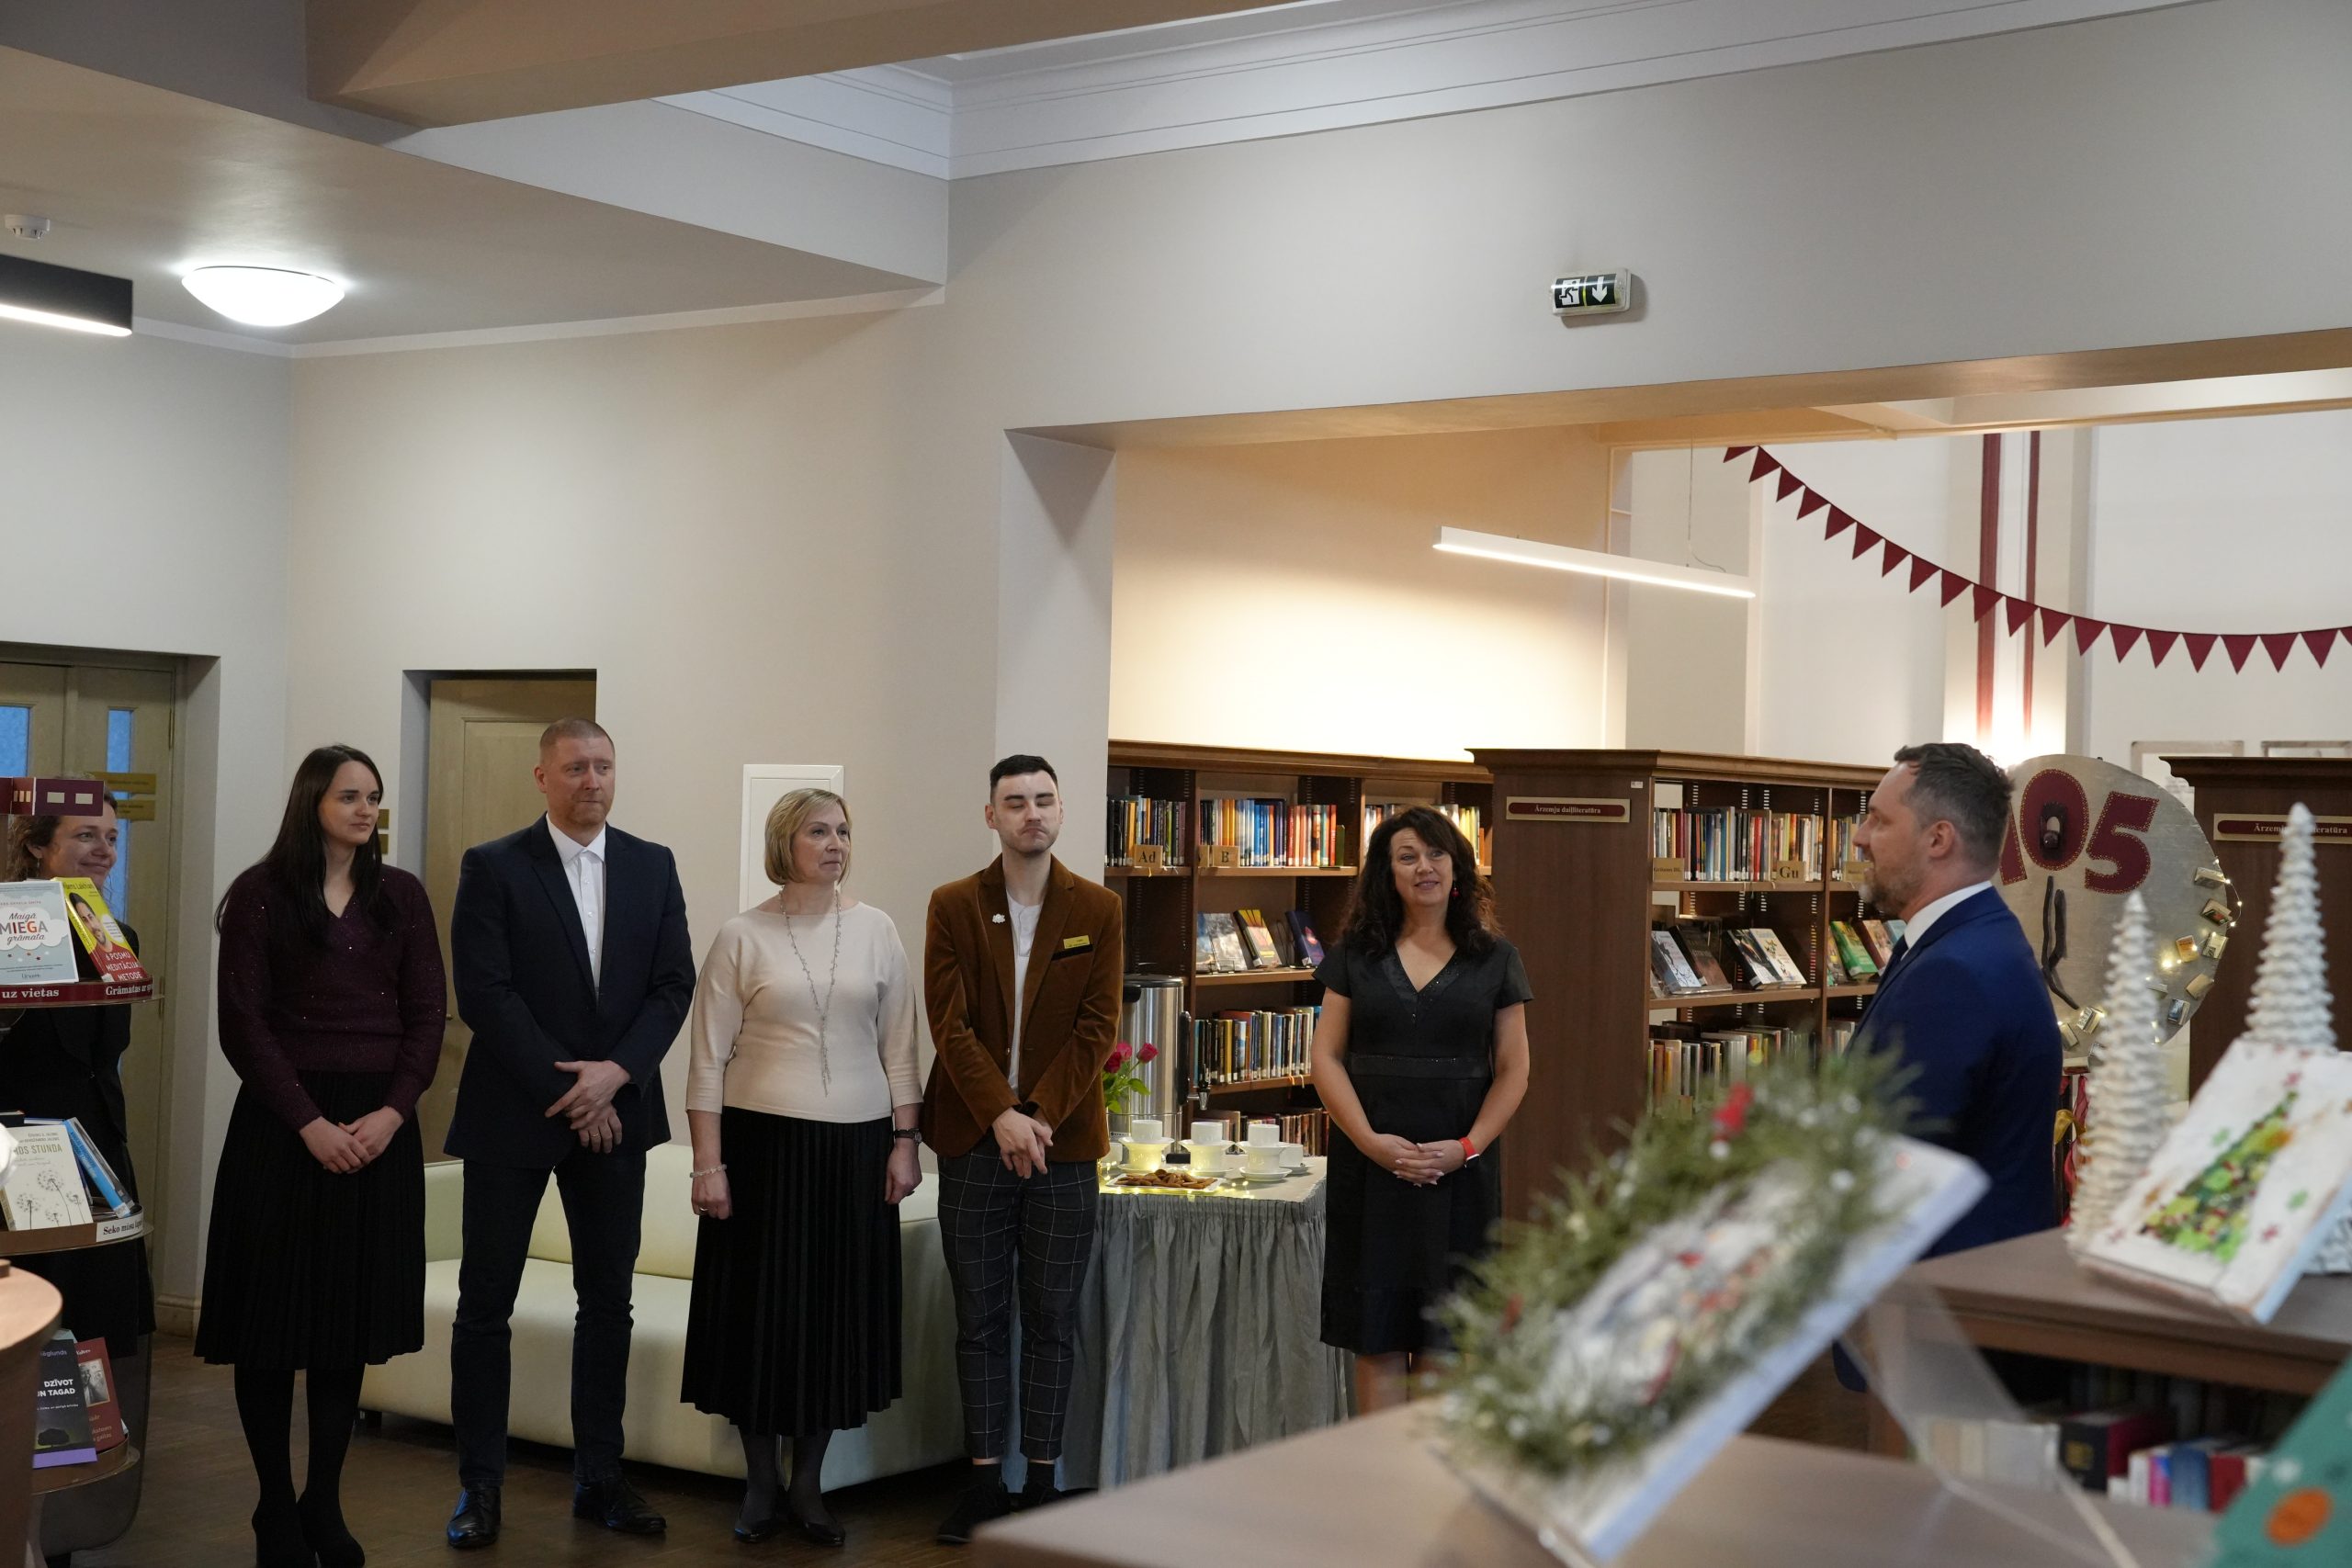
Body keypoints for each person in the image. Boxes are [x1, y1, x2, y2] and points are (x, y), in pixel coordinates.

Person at [443, 718, 694, 1550]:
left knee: (609, 1302)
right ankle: (480, 1486)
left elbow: (672, 986)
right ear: (542, 776)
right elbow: (485, 993)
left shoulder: (653, 864)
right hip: (514, 1114)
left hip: (619, 1112)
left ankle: (601, 1477)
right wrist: (574, 1089)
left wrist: (615, 1075)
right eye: (577, 767)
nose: (593, 780)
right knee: (486, 1306)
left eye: (604, 766)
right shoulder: (494, 865)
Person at [198, 746, 445, 1568]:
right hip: (282, 1128)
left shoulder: (401, 895)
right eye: (349, 795)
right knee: (269, 1327)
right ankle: (274, 1501)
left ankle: (323, 1500)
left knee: (346, 1328)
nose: (366, 808)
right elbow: (243, 1024)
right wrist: (308, 1121)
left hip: (378, 1129)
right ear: (313, 802)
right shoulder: (260, 893)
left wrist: (393, 1113)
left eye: (374, 796)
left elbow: (428, 1016)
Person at [681, 788, 922, 1547]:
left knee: (831, 1318)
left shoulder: (878, 929)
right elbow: (706, 1059)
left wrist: (906, 1141)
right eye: (819, 830)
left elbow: (901, 1047)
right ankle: (759, 1483)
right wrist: (707, 1164)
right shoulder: (741, 934)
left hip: (855, 1152)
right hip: (761, 1152)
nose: (835, 843)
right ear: (785, 841)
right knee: (760, 1316)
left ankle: (809, 1484)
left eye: (843, 830)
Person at [922, 755, 1123, 1545]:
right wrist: (1001, 1114)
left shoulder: (1098, 907)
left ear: (1061, 809)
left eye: (1043, 799)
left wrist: (1036, 1114)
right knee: (978, 1318)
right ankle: (981, 1483)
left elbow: (1097, 1027)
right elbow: (949, 1024)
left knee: (1052, 1318)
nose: (1031, 813)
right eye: (1015, 802)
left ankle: (1041, 1482)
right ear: (991, 815)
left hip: (1062, 1147)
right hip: (973, 1141)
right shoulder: (953, 904)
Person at [1308, 806, 1532, 1414]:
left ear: (1458, 867)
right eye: (1407, 856)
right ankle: (1378, 1472)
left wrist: (1466, 1148)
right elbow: (1325, 1057)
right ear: (1387, 872)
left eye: (1436, 854)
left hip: (1460, 1172)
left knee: (1447, 1337)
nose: (1424, 867)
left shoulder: (1496, 957)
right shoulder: (1355, 954)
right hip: (1371, 1169)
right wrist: (1369, 1142)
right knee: (1376, 1333)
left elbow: (1514, 1069)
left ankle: (1427, 1470)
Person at [1, 792, 157, 1563]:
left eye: (112, 837)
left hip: (96, 1165)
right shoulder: (4, 929)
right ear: (36, 846)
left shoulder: (115, 934)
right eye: (85, 834)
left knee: (88, 1339)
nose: (103, 849)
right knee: (26, 1343)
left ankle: (57, 1534)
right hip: (15, 1169)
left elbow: (103, 1062)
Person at [1850, 741, 2062, 1256]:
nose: (1860, 837)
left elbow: (1890, 1163)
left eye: (1879, 820)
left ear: (1938, 839)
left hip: (1949, 1281)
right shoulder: (1977, 937)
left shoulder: (1953, 972)